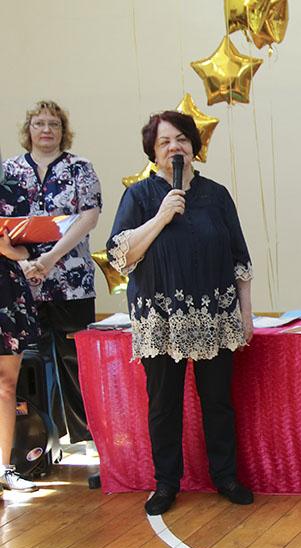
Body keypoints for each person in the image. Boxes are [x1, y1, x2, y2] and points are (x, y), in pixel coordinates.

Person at [106, 111, 255, 516]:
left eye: (182, 139)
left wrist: (245, 314)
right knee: (164, 405)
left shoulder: (216, 195)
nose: (175, 147)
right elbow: (121, 255)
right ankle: (166, 483)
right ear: (153, 153)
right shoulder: (139, 196)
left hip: (215, 316)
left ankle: (225, 476)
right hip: (161, 318)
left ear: (193, 146)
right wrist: (162, 216)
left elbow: (240, 259)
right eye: (165, 142)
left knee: (218, 401)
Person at [1, 100, 102, 446]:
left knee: (76, 362)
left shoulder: (80, 168)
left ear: (63, 131)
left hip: (71, 282)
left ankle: (85, 440)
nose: (46, 129)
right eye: (39, 123)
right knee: (31, 365)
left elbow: (89, 217)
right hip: (19, 284)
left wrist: (49, 259)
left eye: (54, 124)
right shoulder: (9, 170)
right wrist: (24, 263)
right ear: (28, 129)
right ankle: (42, 440)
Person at [0, 173, 42, 497]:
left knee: (5, 385)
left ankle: (4, 469)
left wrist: (9, 251)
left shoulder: (12, 189)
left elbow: (31, 249)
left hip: (6, 295)